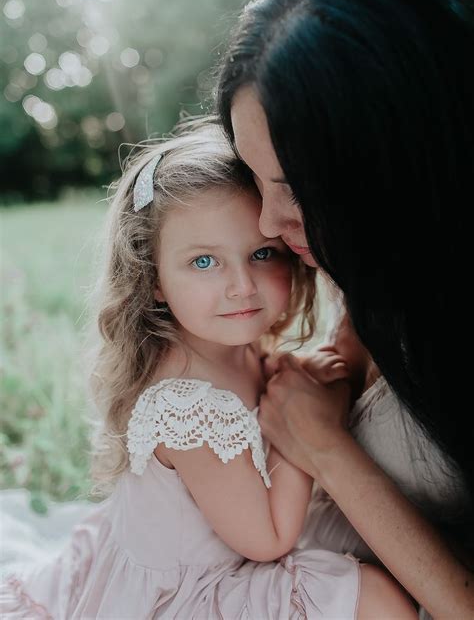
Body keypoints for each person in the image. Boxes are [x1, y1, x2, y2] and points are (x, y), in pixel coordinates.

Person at [0, 119, 418, 619]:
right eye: (204, 262)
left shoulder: (225, 344)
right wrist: (305, 427)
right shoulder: (187, 405)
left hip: (210, 558)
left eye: (262, 254)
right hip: (182, 596)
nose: (242, 284)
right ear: (152, 278)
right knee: (371, 596)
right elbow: (269, 539)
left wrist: (295, 379)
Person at [216, 0, 474, 618]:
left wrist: (328, 450)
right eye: (257, 181)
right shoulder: (381, 268)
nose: (269, 222)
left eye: (297, 188)